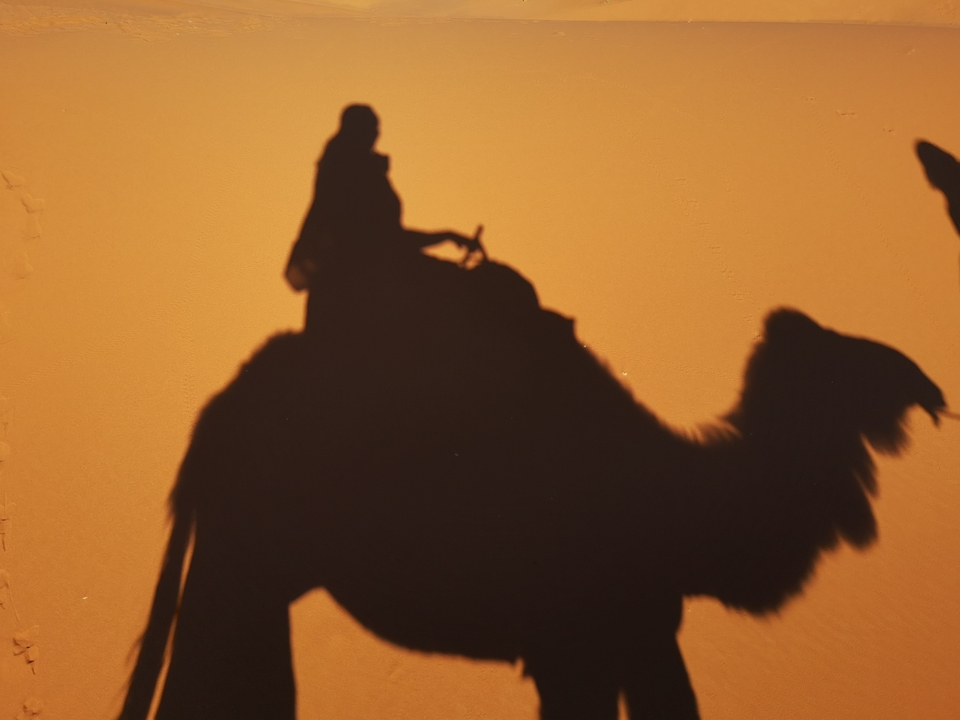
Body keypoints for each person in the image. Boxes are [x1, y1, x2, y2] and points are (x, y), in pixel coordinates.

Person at [285, 105, 481, 292]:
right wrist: (446, 236)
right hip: (376, 276)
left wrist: (446, 236)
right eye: (372, 129)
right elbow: (388, 240)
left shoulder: (338, 176)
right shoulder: (359, 179)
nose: (377, 135)